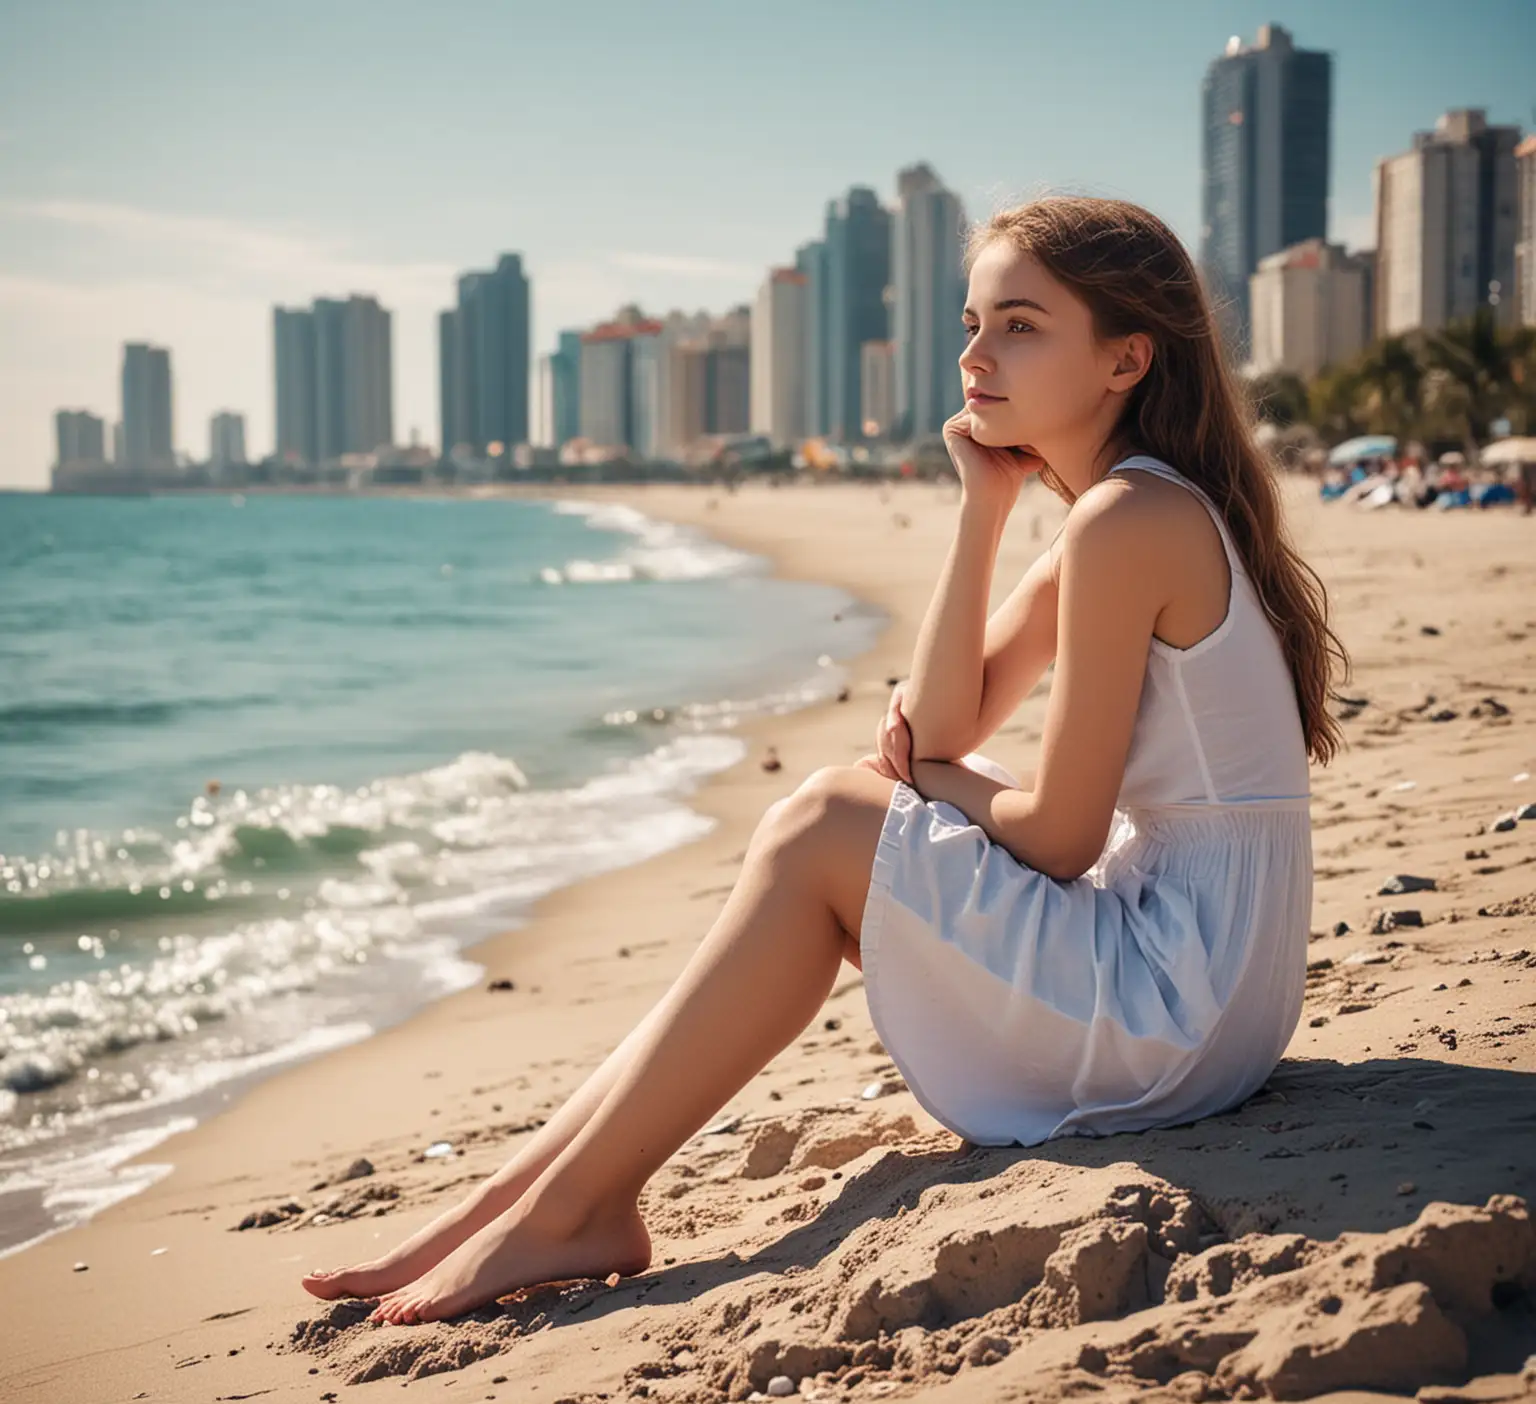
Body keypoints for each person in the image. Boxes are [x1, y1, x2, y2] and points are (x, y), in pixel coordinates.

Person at [302, 195, 1348, 1325]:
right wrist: (980, 510)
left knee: (821, 826)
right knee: (826, 818)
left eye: (1021, 326)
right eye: (972, 320)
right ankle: (523, 1199)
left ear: (1124, 358)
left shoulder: (1125, 523)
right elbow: (943, 725)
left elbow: (1053, 834)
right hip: (1218, 991)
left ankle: (571, 1207)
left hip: (1177, 1007)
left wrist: (934, 785)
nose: (974, 354)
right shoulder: (1125, 508)